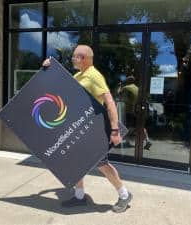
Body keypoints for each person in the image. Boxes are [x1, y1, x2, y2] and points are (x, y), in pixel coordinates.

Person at [42, 45, 132, 213]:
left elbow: (110, 101)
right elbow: (63, 86)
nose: (72, 59)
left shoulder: (94, 76)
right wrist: (50, 68)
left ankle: (124, 194)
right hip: (79, 127)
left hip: (93, 129)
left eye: (75, 56)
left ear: (82, 58)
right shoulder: (79, 75)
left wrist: (114, 130)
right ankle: (79, 196)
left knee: (102, 164)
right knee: (77, 163)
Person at [118, 76, 152, 150]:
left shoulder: (126, 88)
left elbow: (119, 95)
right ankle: (147, 140)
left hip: (130, 111)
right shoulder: (138, 89)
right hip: (138, 111)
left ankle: (127, 141)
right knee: (140, 126)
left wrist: (120, 86)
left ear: (128, 81)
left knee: (126, 127)